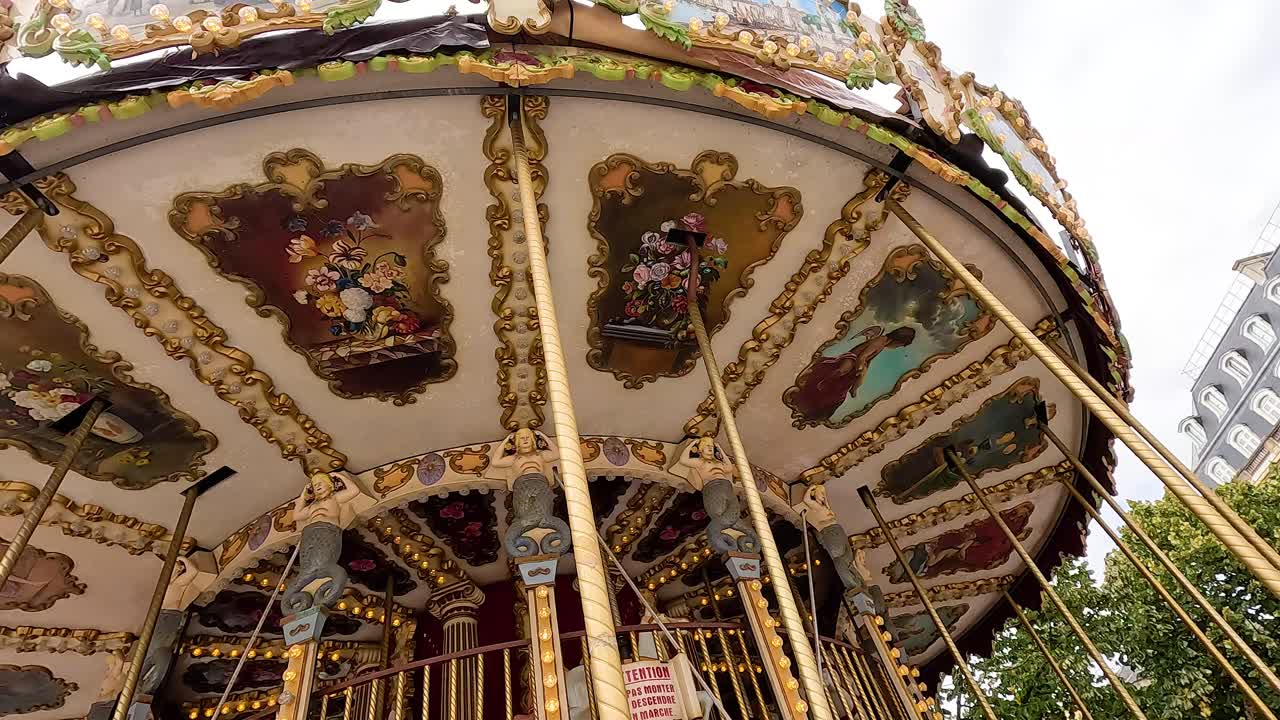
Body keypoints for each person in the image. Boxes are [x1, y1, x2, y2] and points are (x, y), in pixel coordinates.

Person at [791, 325, 916, 421]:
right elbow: (862, 357)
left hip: (855, 365)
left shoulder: (882, 343)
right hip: (852, 360)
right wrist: (861, 369)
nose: (898, 347)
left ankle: (850, 389)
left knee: (843, 389)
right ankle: (823, 384)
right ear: (899, 341)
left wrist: (863, 370)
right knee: (841, 372)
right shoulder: (880, 341)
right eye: (900, 345)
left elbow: (869, 360)